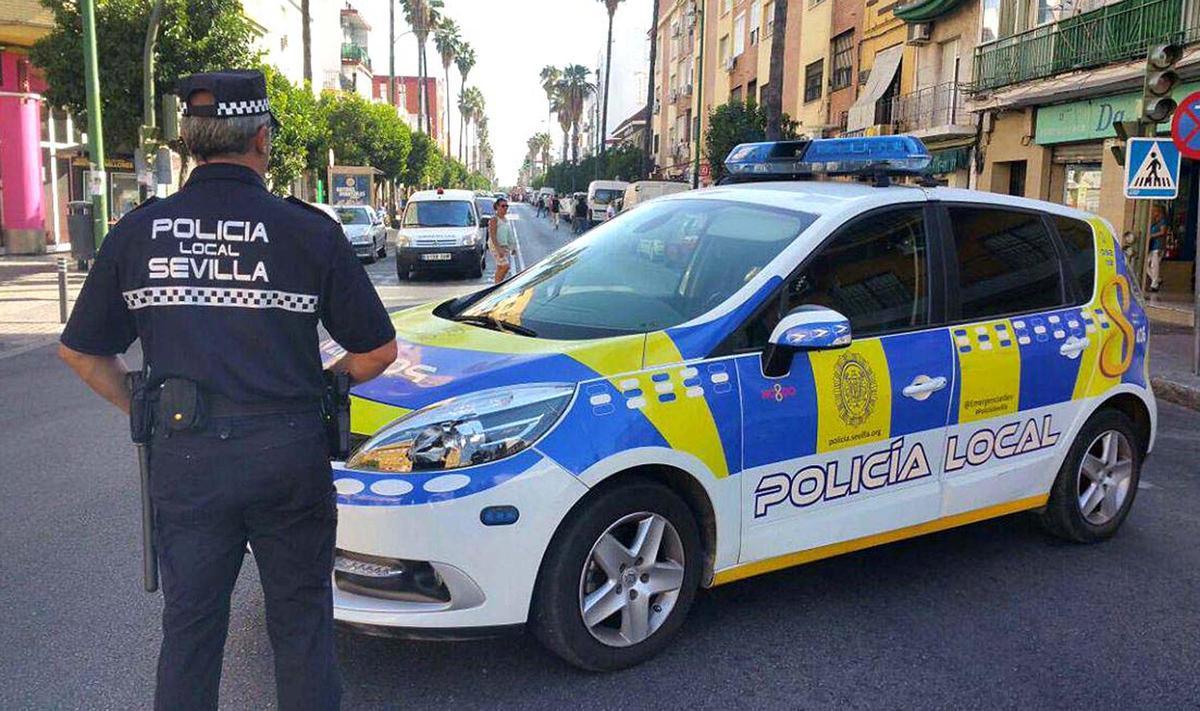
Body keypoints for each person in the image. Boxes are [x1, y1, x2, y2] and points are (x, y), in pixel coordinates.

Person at [57, 70, 397, 711]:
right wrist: (324, 387)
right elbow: (377, 351)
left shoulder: (139, 231)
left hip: (186, 463)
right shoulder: (308, 232)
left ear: (188, 140)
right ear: (262, 139)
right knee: (301, 633)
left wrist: (146, 410)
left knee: (190, 636)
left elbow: (80, 351)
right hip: (289, 455)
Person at [489, 197, 518, 283]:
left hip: (503, 245)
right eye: (502, 206)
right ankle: (497, 285)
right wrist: (498, 249)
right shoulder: (494, 219)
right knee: (505, 266)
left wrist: (513, 247)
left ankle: (497, 284)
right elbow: (492, 235)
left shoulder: (505, 219)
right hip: (496, 246)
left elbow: (509, 235)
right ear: (497, 207)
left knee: (500, 267)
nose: (505, 208)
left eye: (506, 206)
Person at [1147, 204, 1167, 292]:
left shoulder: (1163, 221)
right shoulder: (1154, 222)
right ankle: (1157, 279)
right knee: (1146, 264)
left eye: (1154, 211)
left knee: (1154, 265)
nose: (1153, 213)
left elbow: (1162, 232)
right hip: (1152, 246)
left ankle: (1154, 285)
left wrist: (1152, 236)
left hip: (1158, 246)